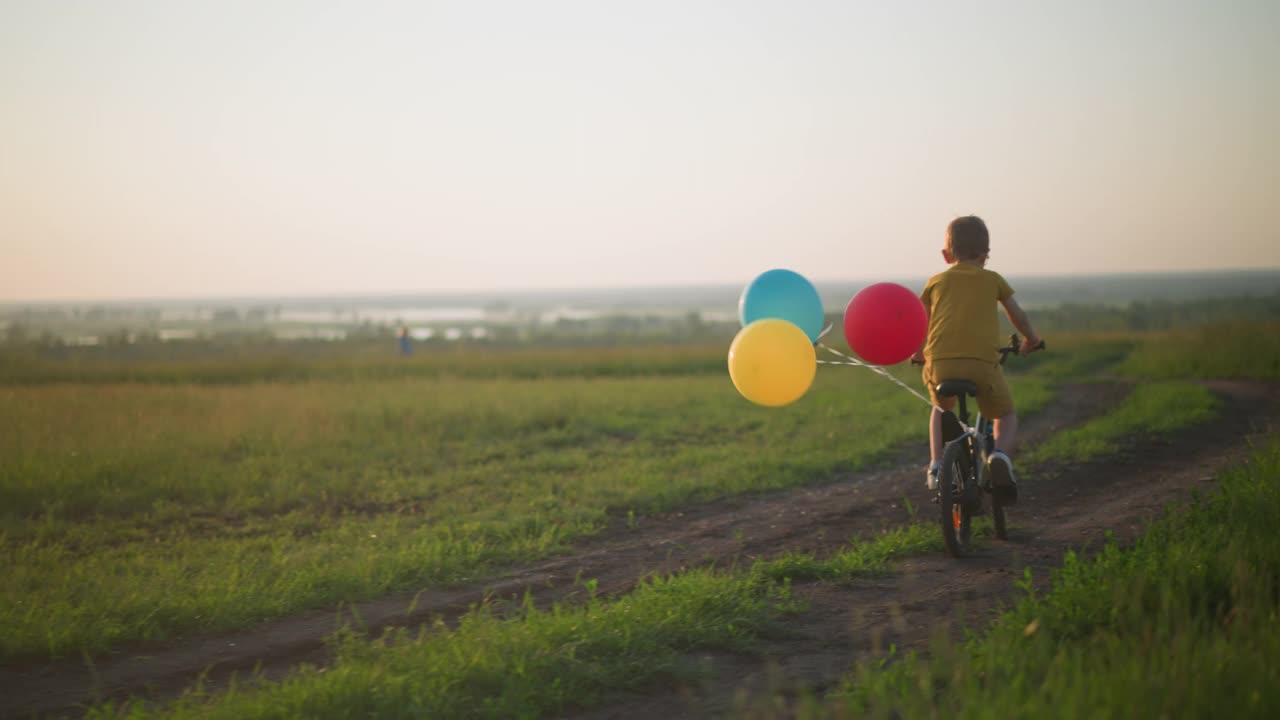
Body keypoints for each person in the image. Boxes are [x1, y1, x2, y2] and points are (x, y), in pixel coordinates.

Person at [910, 215, 1042, 496]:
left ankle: (935, 465)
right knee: (1005, 414)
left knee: (940, 408)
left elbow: (922, 320)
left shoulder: (935, 282)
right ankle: (1000, 458)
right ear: (986, 254)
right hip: (982, 365)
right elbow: (1017, 314)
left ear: (946, 255)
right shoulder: (993, 280)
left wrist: (919, 351)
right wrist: (1032, 339)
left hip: (941, 365)